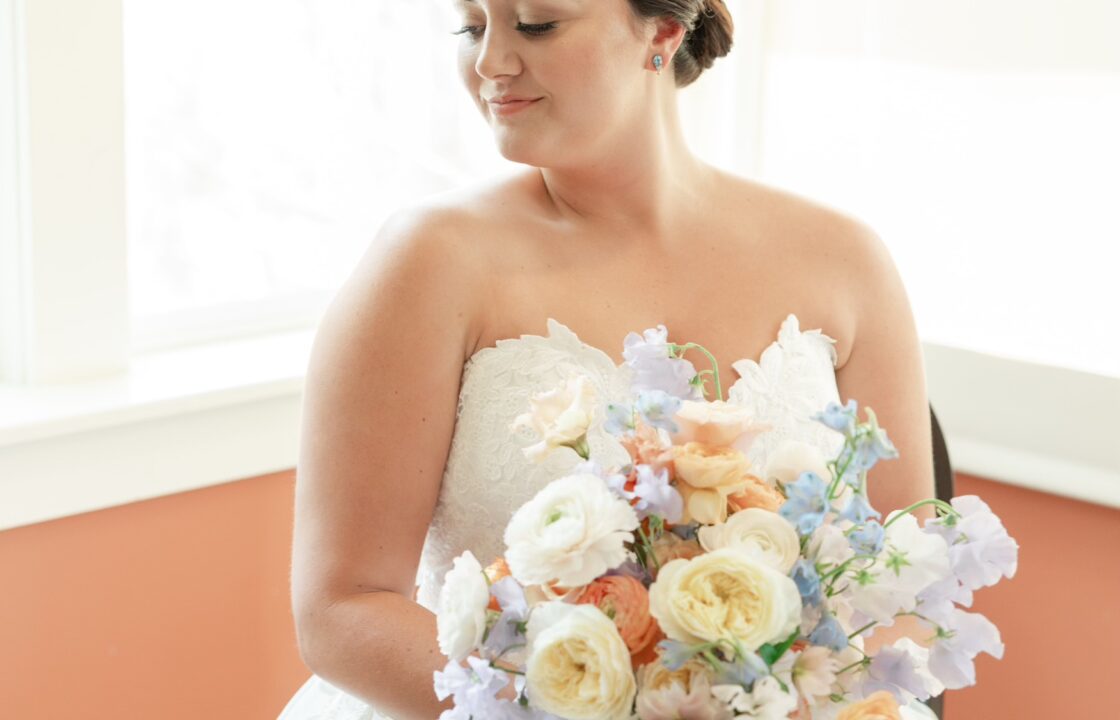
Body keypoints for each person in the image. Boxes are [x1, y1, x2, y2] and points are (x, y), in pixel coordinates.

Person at [279, 1, 936, 718]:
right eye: (471, 26)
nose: (490, 62)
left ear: (661, 29)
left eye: (536, 24)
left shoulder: (845, 262)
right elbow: (341, 610)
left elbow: (907, 581)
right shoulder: (427, 263)